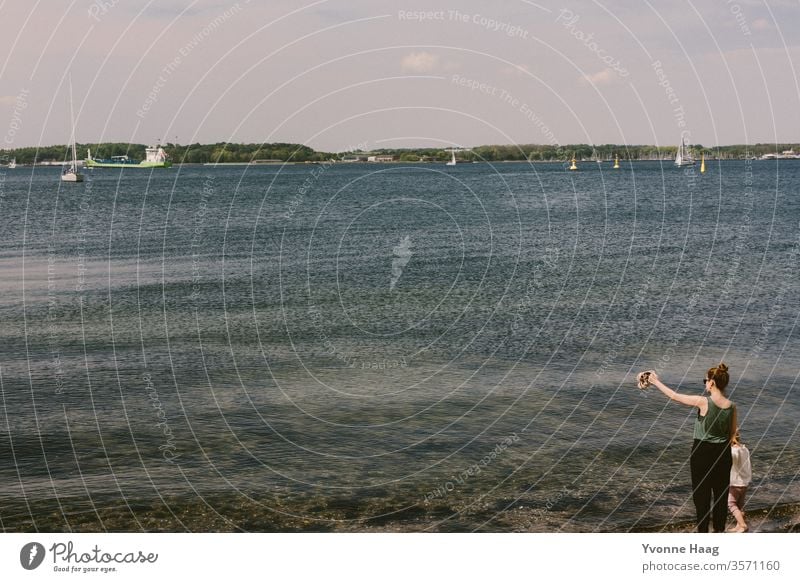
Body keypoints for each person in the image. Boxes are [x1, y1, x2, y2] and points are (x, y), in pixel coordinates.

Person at [648, 363, 737, 533]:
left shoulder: (703, 402)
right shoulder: (732, 406)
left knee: (701, 496)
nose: (705, 383)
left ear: (711, 383)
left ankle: (703, 533)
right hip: (723, 454)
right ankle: (719, 532)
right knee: (721, 495)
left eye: (706, 380)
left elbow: (674, 396)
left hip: (702, 452)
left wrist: (655, 381)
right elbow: (732, 434)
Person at [728, 430, 751, 532]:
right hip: (744, 482)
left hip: (735, 483)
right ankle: (739, 526)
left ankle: (742, 525)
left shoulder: (733, 451)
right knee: (740, 505)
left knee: (731, 504)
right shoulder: (745, 449)